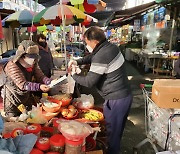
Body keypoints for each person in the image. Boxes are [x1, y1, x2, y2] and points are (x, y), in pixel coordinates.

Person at [68, 26, 132, 154]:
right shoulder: (110, 47)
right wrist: (77, 62)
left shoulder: (102, 54)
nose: (86, 45)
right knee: (114, 131)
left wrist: (73, 75)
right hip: (121, 96)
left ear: (95, 42)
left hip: (117, 99)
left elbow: (89, 82)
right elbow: (92, 57)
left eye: (87, 42)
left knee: (113, 133)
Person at [1, 40, 51, 117]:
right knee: (14, 123)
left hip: (25, 98)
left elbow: (40, 76)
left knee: (29, 118)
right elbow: (23, 84)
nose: (34, 60)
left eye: (35, 57)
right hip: (12, 100)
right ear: (22, 56)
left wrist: (48, 82)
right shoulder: (12, 65)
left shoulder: (33, 64)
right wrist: (39, 86)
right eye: (31, 57)